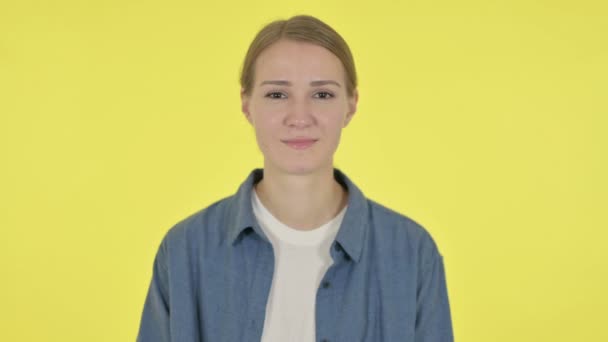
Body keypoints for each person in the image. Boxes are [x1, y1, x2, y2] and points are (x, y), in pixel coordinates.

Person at [137, 14, 453, 342]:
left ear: (351, 104)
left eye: (322, 95)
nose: (299, 117)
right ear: (247, 104)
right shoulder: (185, 250)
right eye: (277, 95)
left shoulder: (411, 253)